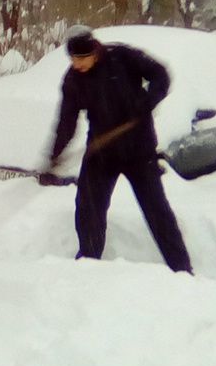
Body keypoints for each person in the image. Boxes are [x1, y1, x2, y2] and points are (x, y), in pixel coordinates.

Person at [41, 25, 193, 274]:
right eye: (73, 59)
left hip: (139, 149)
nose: (77, 64)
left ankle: (182, 268)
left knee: (156, 209)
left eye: (82, 58)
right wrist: (53, 156)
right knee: (88, 208)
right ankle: (88, 266)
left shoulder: (122, 57)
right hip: (102, 152)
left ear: (94, 51)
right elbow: (66, 122)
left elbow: (161, 74)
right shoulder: (73, 80)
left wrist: (146, 101)